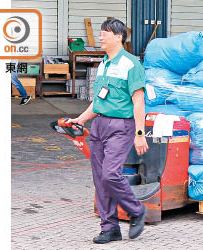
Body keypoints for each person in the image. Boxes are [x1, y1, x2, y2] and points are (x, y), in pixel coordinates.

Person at [67, 18, 149, 244]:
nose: (100, 37)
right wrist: (81, 119)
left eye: (105, 33)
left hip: (120, 126)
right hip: (99, 125)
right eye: (100, 32)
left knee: (110, 173)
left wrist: (140, 134)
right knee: (100, 180)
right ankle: (110, 228)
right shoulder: (103, 64)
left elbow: (138, 100)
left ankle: (136, 210)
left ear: (119, 37)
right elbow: (98, 100)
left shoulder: (131, 64)